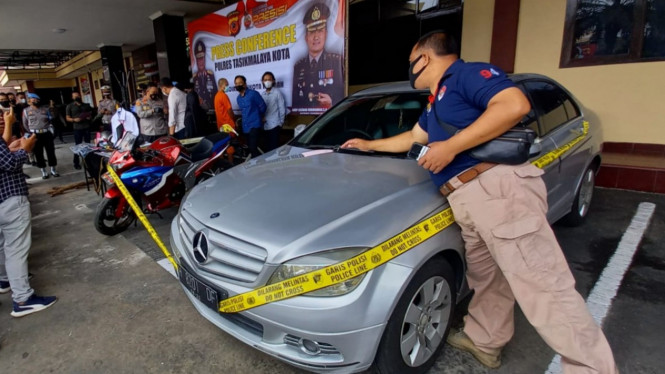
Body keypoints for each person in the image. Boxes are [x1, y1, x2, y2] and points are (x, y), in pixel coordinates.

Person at [342, 31, 617, 373]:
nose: (410, 68)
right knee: (488, 279)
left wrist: (451, 147)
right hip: (468, 198)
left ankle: (592, 367)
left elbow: (515, 105)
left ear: (423, 58)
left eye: (411, 61)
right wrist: (367, 145)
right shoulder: (437, 100)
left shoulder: (467, 75)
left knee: (544, 288)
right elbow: (414, 138)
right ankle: (486, 341)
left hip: (496, 190)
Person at [0, 108, 57, 317]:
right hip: (9, 200)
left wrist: (10, 147)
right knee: (16, 250)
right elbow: (11, 164)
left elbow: (3, 154)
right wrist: (25, 149)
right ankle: (23, 298)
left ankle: (5, 279)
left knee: (3, 245)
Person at [292, 2, 344, 111]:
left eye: (320, 31)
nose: (316, 37)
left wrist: (331, 102)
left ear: (326, 34)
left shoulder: (336, 61)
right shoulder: (298, 66)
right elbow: (296, 100)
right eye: (312, 32)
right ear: (306, 37)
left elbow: (342, 94)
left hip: (330, 116)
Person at [22, 93, 59, 179]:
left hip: (46, 133)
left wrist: (52, 108)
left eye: (37, 99)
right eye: (33, 99)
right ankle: (43, 171)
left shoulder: (46, 109)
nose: (35, 101)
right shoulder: (26, 111)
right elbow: (25, 124)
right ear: (29, 100)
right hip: (35, 134)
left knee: (51, 152)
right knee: (38, 153)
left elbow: (51, 119)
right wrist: (31, 133)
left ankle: (53, 169)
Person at [234, 75, 266, 158]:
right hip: (245, 126)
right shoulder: (238, 98)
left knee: (253, 148)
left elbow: (263, 107)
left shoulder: (253, 94)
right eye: (236, 83)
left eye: (240, 83)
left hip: (255, 124)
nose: (238, 85)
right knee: (250, 147)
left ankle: (259, 166)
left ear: (245, 84)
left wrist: (259, 116)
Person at [260, 71, 286, 152]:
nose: (267, 81)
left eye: (269, 79)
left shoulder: (277, 93)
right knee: (266, 150)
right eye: (265, 80)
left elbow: (282, 109)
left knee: (274, 150)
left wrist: (280, 123)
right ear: (262, 82)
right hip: (265, 126)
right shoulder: (262, 94)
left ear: (273, 81)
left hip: (275, 126)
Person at [66, 91, 93, 170]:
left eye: (78, 95)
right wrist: (74, 119)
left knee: (88, 145)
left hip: (87, 127)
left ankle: (88, 162)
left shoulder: (86, 105)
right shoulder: (70, 106)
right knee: (78, 145)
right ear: (72, 98)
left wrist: (89, 117)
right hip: (77, 128)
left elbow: (90, 114)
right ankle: (76, 162)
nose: (77, 97)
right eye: (75, 96)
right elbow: (67, 118)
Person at [192, 40, 218, 110]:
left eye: (202, 58)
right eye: (199, 59)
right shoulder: (194, 78)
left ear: (205, 59)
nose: (201, 62)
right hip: (201, 110)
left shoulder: (211, 75)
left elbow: (215, 92)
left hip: (212, 108)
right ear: (196, 61)